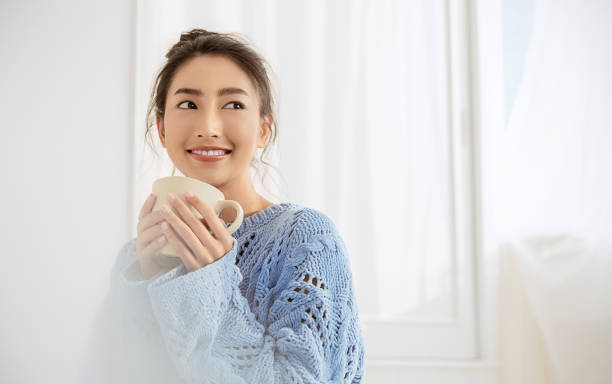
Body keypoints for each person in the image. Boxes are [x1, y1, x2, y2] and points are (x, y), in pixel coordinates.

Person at [80, 29, 364, 383]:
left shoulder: (305, 240)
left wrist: (211, 280)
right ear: (162, 129)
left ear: (263, 130)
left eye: (233, 104)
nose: (209, 127)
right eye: (187, 104)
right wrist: (149, 281)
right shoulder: (134, 260)